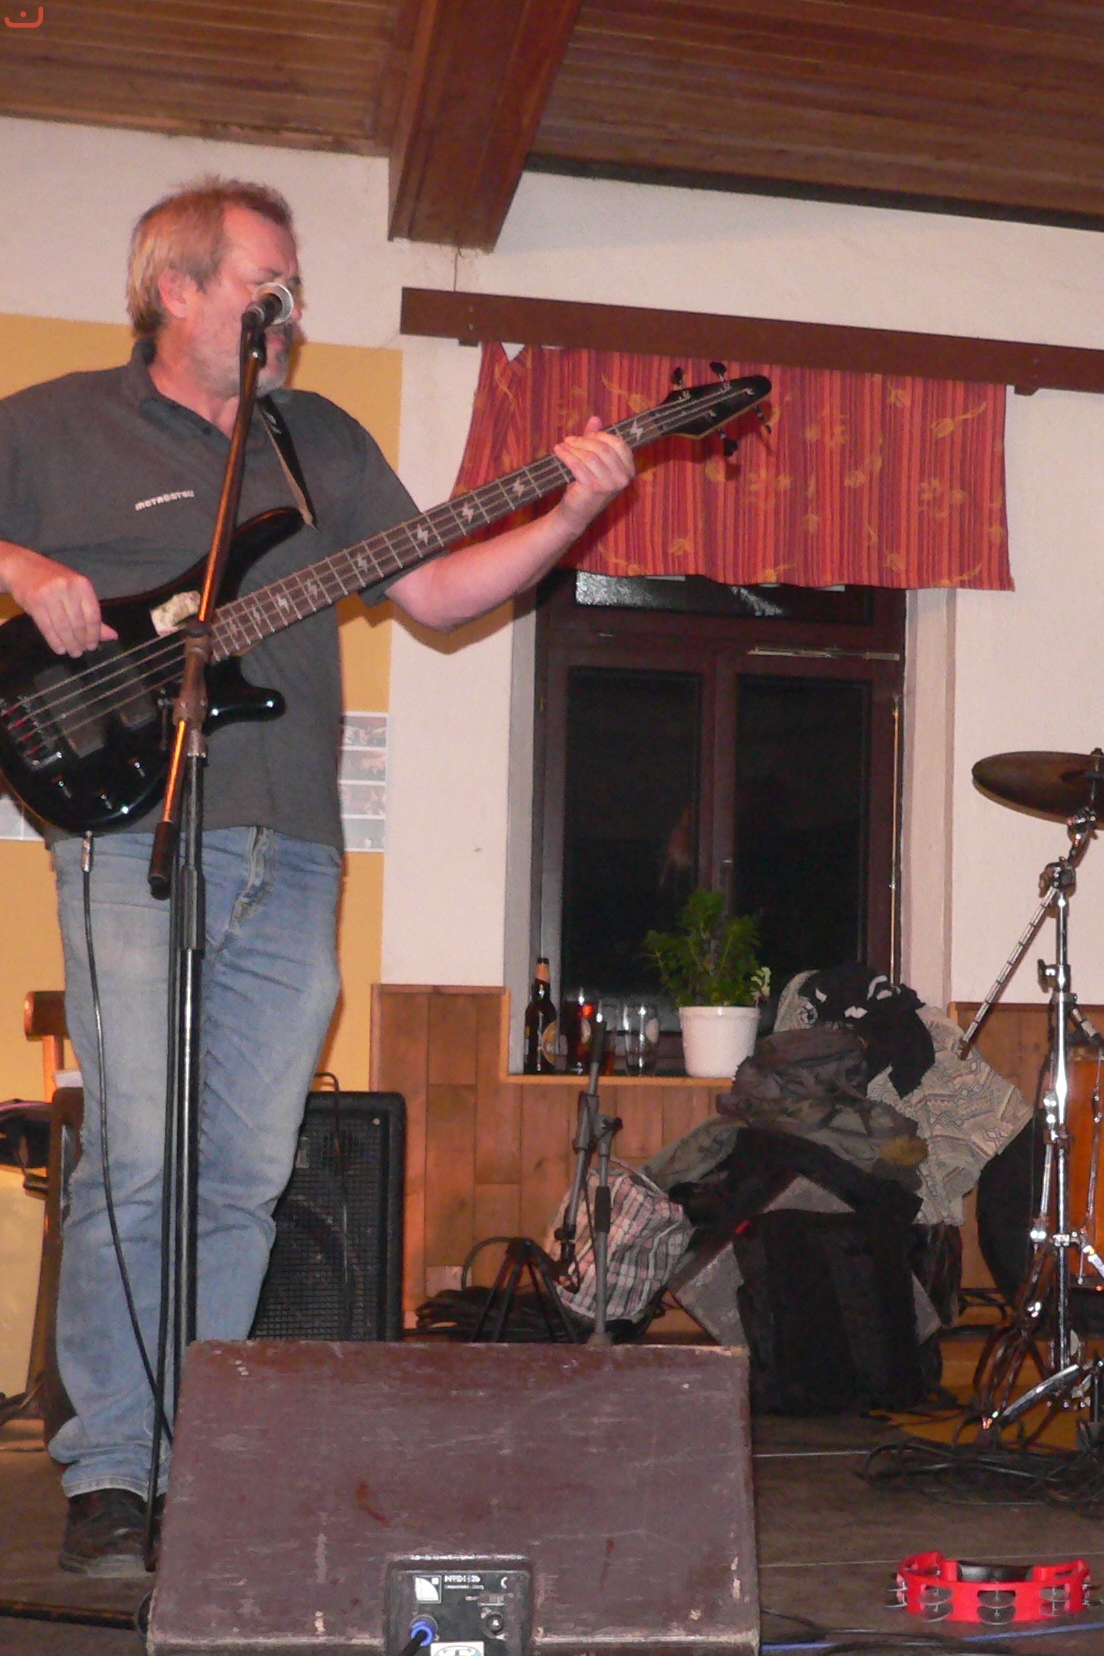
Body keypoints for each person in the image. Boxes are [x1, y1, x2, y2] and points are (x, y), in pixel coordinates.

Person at [0, 178, 634, 1574]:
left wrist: (572, 513)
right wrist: (25, 563)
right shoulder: (51, 424)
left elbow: (441, 596)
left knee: (241, 1173)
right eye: (266, 284)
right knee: (135, 1158)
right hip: (126, 827)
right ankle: (110, 1472)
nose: (290, 309)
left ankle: (199, 1453)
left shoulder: (321, 439)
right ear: (177, 290)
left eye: (292, 288)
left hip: (293, 850)